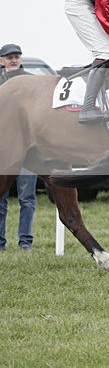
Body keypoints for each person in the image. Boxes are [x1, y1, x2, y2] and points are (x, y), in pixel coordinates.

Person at [0, 43, 37, 251]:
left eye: (17, 56)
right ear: (1, 61)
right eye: (9, 57)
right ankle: (0, 244)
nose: (14, 60)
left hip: (27, 150)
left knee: (27, 198)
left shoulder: (31, 82)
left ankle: (25, 243)